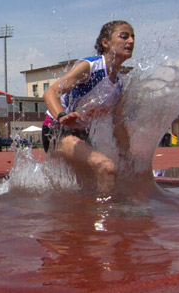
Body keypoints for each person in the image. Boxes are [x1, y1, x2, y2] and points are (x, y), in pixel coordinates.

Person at [42, 20, 134, 196]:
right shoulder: (91, 66)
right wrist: (61, 115)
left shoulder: (120, 84)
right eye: (124, 36)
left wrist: (127, 156)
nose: (130, 41)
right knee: (106, 168)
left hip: (81, 135)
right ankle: (108, 217)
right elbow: (50, 92)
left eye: (132, 37)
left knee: (92, 185)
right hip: (56, 130)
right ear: (105, 42)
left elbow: (119, 125)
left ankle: (86, 218)